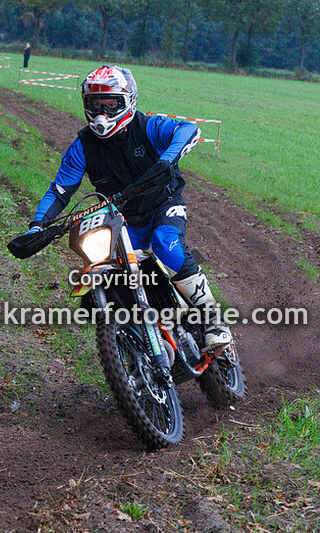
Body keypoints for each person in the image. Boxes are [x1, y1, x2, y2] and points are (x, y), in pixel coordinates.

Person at [26, 65, 232, 357]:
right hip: (122, 219)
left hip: (163, 203)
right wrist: (37, 225)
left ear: (128, 101)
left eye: (110, 104)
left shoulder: (146, 127)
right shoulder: (83, 146)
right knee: (101, 270)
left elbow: (188, 129)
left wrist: (167, 160)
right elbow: (59, 190)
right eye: (95, 105)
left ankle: (212, 318)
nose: (102, 113)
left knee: (165, 243)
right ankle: (133, 345)